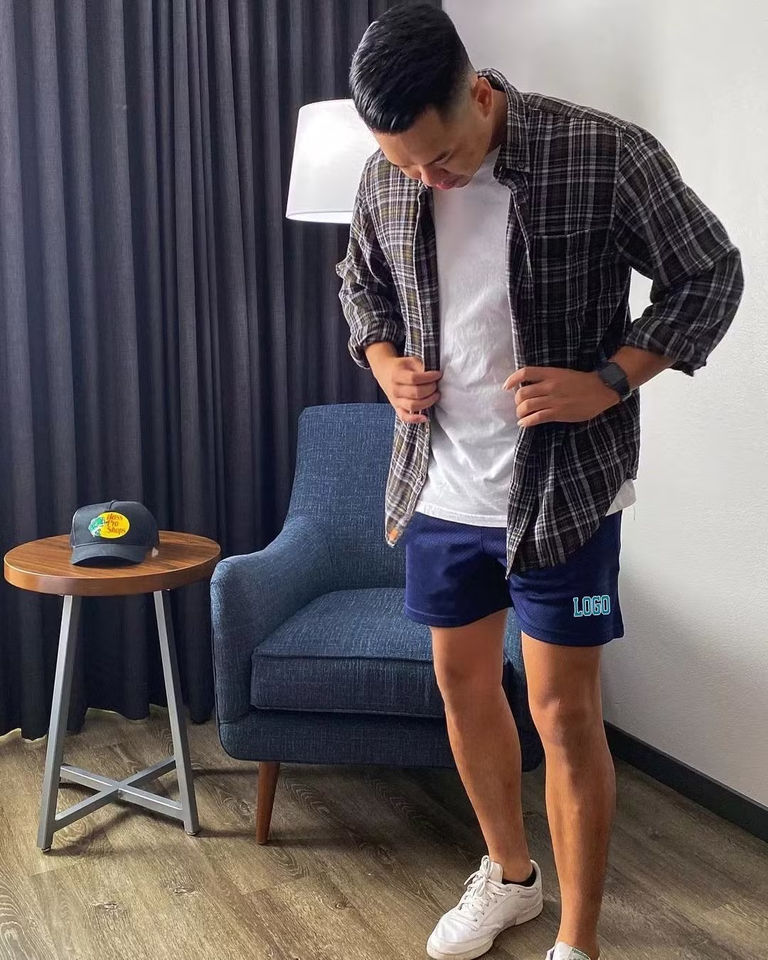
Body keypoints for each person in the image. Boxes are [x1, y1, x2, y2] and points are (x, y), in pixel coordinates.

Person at [335, 5, 744, 960]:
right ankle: (511, 878)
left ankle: (579, 940)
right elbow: (360, 282)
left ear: (478, 93)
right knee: (463, 688)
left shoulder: (602, 152)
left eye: (442, 159)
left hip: (566, 495)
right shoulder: (389, 172)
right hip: (439, 488)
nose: (426, 181)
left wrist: (611, 380)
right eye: (405, 166)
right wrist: (383, 361)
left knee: (564, 713)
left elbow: (708, 273)